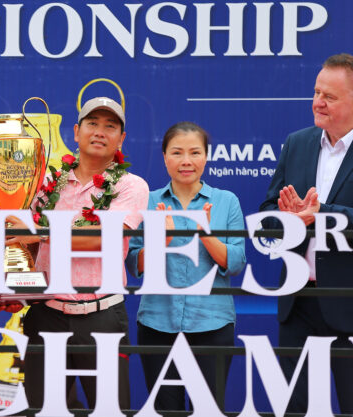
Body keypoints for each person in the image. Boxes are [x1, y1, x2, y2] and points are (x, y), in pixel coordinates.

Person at [7, 97, 149, 409]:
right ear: (75, 131)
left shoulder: (131, 186)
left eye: (110, 126)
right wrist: (12, 279)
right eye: (92, 123)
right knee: (42, 411)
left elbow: (104, 239)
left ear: (121, 139)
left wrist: (39, 232)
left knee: (110, 412)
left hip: (102, 318)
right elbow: (25, 242)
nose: (99, 131)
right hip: (46, 316)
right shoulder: (46, 184)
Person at [126, 122, 246, 412]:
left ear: (206, 156)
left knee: (209, 409)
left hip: (212, 323)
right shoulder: (148, 201)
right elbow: (133, 263)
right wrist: (162, 240)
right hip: (157, 323)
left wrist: (205, 234)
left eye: (195, 152)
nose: (186, 161)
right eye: (177, 152)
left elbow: (236, 262)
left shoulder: (226, 201)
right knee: (166, 409)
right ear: (164, 156)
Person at [259, 53, 353, 413]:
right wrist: (287, 220)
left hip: (348, 302)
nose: (317, 102)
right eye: (316, 92)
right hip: (297, 304)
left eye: (329, 96)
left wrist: (321, 214)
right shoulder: (297, 143)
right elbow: (268, 213)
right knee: (294, 408)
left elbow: (324, 214)